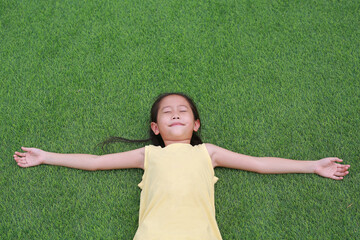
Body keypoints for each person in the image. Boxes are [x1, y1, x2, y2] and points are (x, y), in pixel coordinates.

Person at [13, 92, 350, 240]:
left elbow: (260, 164)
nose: (175, 112)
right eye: (166, 111)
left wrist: (312, 165)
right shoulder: (149, 154)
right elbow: (97, 163)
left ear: (196, 124)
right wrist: (48, 156)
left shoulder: (209, 153)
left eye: (183, 110)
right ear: (156, 128)